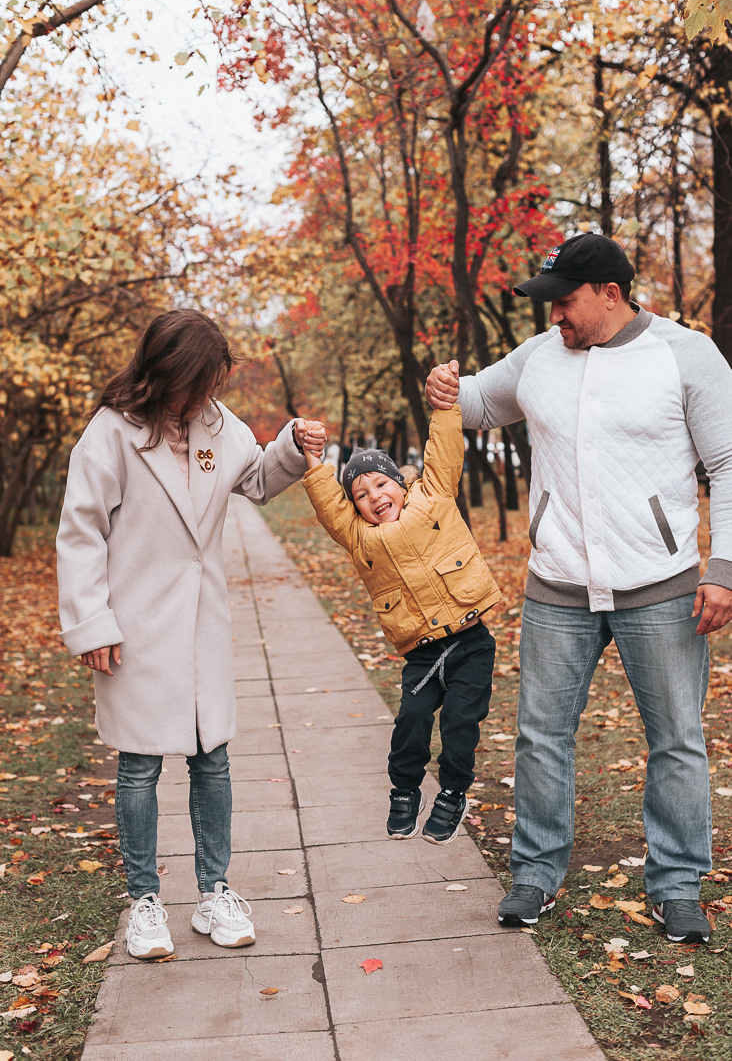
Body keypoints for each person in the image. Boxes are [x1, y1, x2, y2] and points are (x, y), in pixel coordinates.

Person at [426, 232, 732, 944]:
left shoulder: (686, 357)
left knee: (678, 739)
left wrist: (724, 571)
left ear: (612, 295)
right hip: (558, 583)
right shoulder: (539, 358)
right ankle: (534, 873)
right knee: (540, 737)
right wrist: (448, 389)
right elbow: (477, 404)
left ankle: (678, 884)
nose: (554, 317)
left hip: (660, 585)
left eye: (565, 303)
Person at [56, 309, 326, 959]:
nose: (210, 389)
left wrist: (290, 443)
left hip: (201, 620)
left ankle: (215, 893)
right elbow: (80, 533)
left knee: (213, 759)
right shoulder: (111, 434)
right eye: (200, 378)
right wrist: (91, 621)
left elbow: (256, 480)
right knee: (140, 765)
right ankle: (145, 902)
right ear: (165, 372)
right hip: (132, 625)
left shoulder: (216, 424)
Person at [301, 404, 501, 844]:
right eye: (360, 494)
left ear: (400, 483)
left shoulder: (433, 498)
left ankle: (452, 793)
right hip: (423, 652)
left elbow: (445, 452)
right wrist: (313, 458)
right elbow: (326, 502)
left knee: (459, 724)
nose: (373, 496)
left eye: (380, 483)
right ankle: (404, 791)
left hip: (471, 642)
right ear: (354, 508)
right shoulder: (357, 537)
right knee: (411, 719)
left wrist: (445, 407)